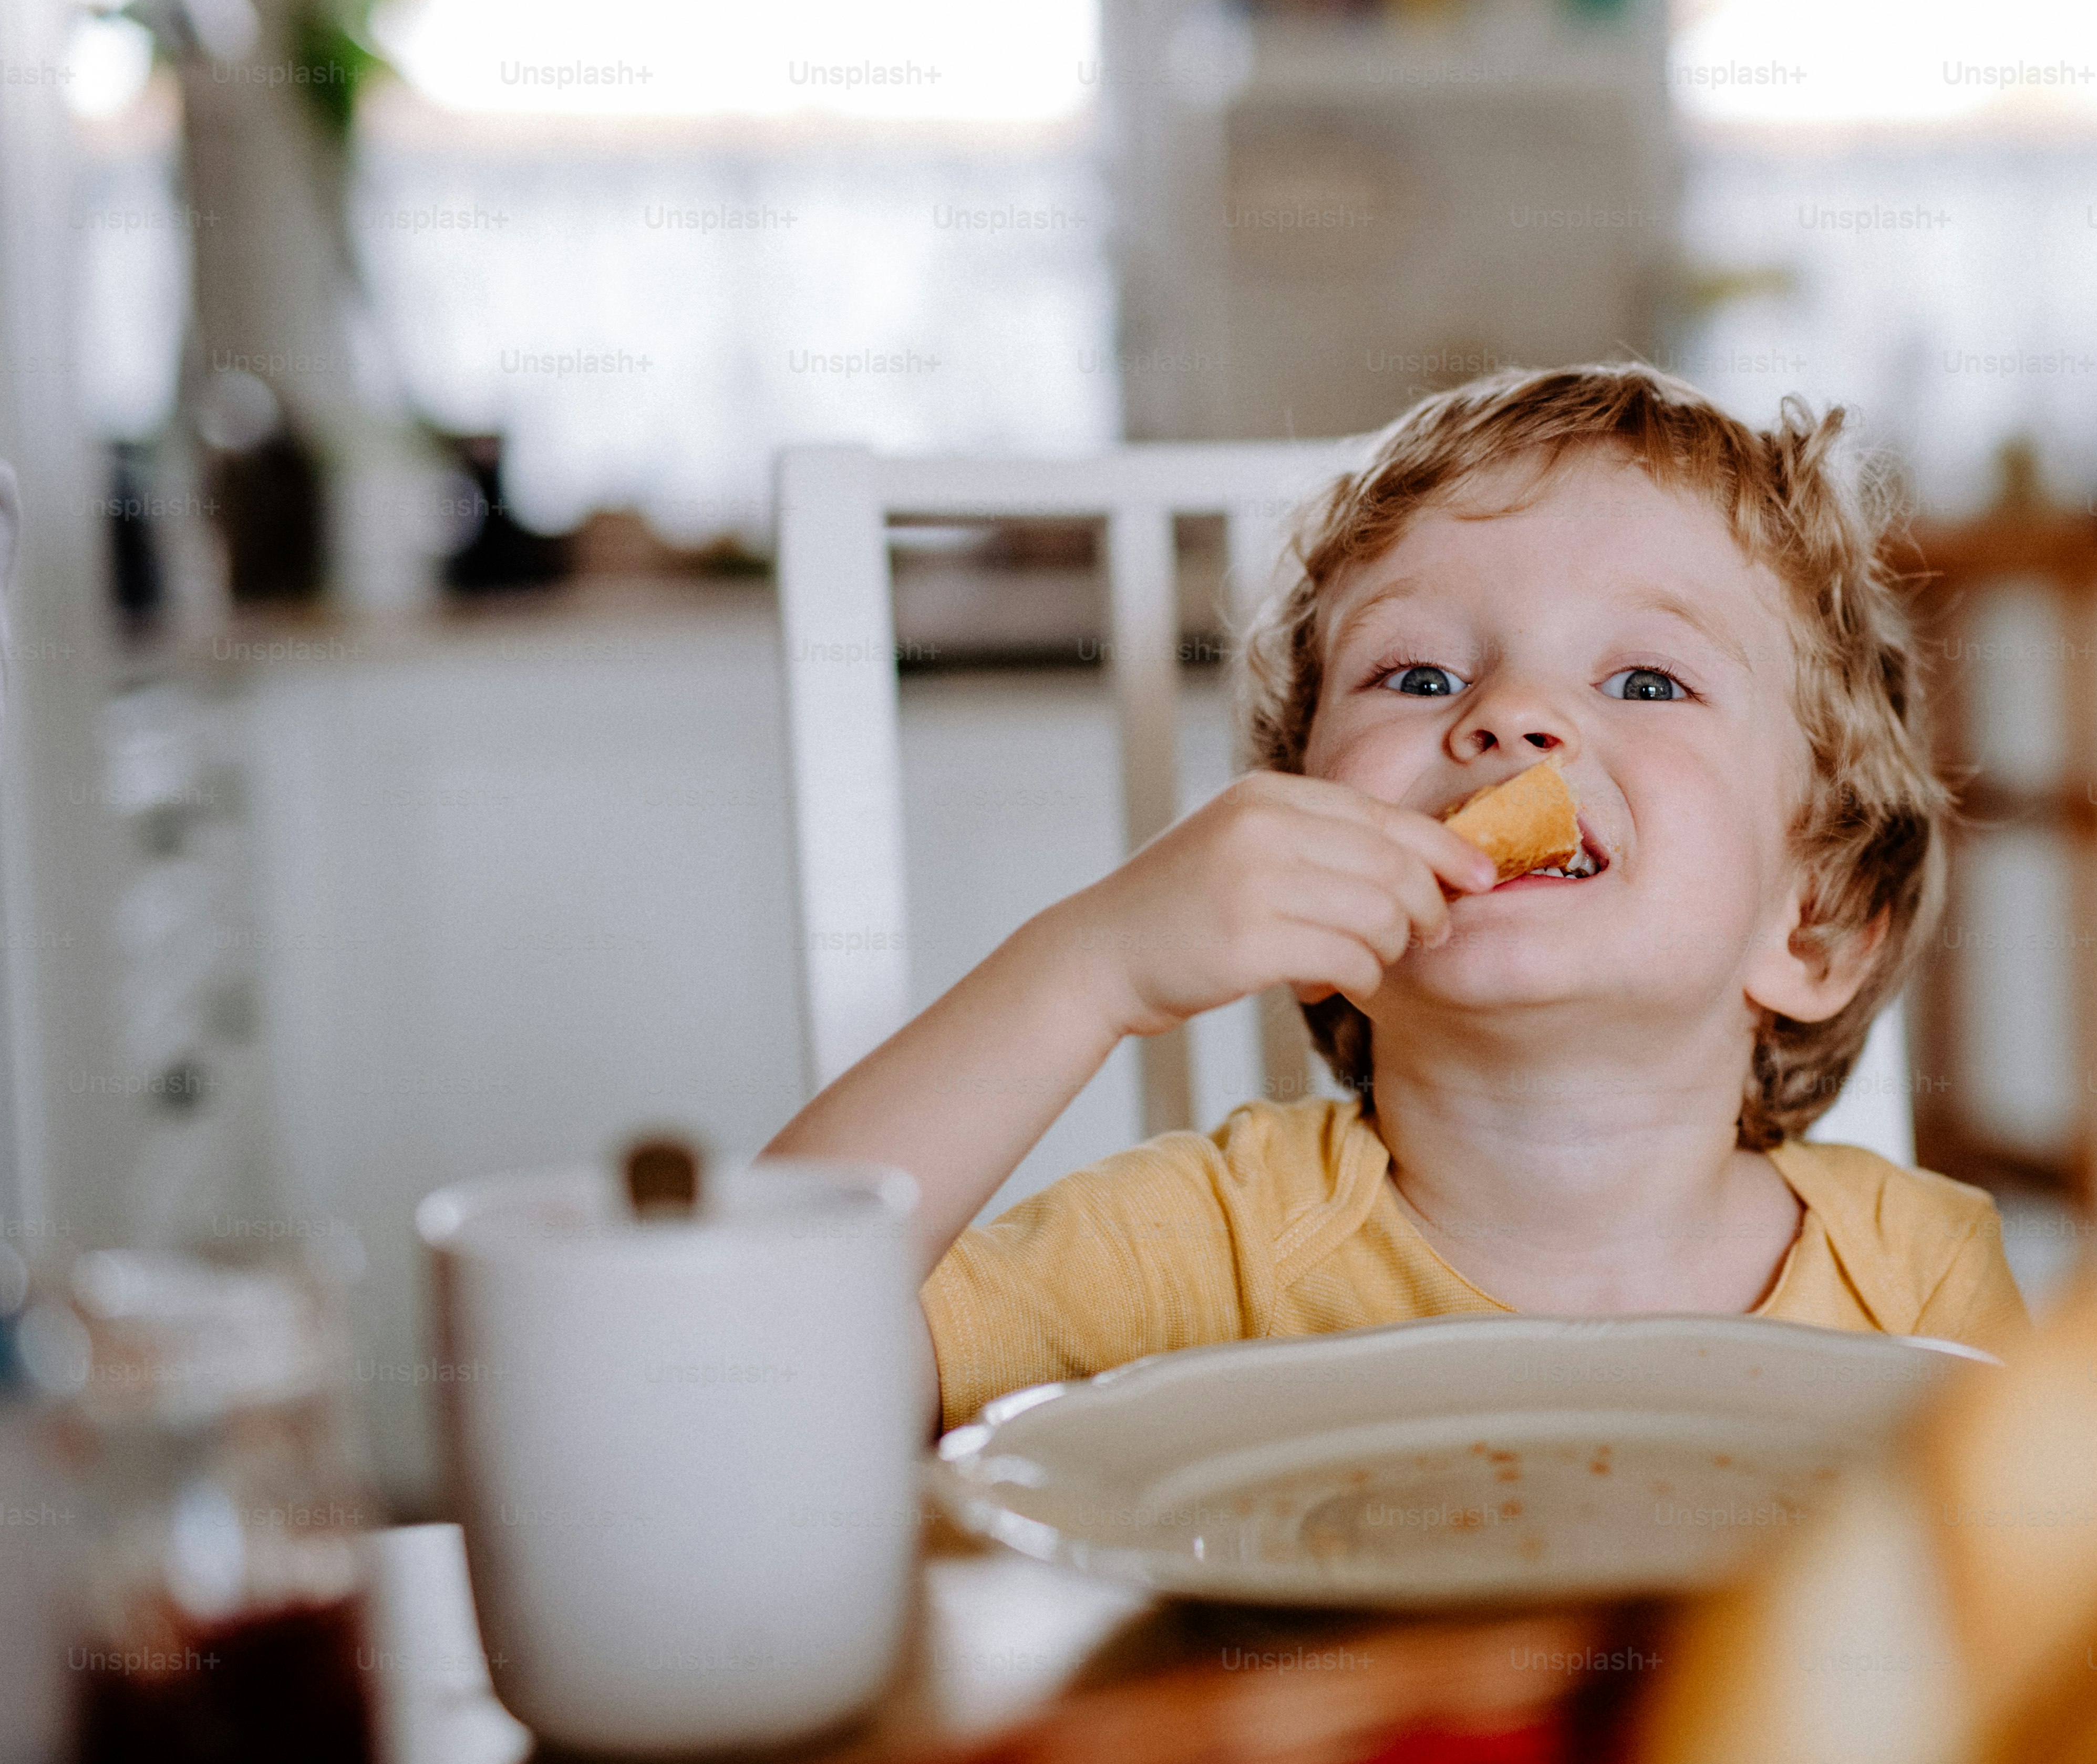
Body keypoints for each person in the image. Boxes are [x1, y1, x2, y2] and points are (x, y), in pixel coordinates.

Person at [765, 364, 2027, 1430]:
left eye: (1645, 682)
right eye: (1415, 673)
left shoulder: (1915, 1280)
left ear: (1809, 925)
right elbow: (739, 1358)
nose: (1508, 715)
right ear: (1302, 890)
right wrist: (1089, 971)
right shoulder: (1208, 1254)